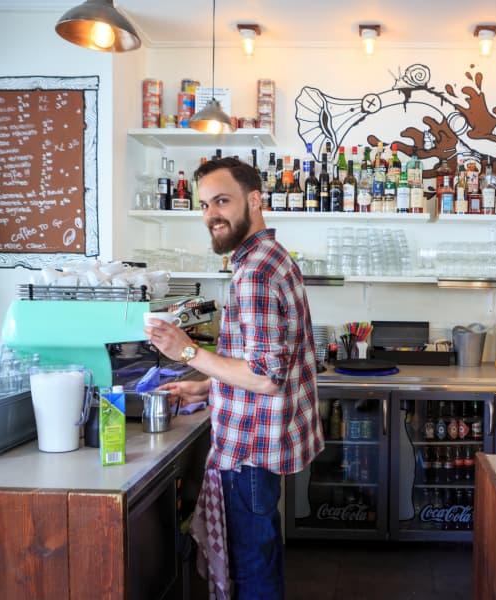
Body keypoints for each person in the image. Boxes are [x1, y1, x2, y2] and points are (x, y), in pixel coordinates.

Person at [145, 157, 323, 600]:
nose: (211, 215)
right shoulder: (272, 256)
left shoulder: (255, 273)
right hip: (262, 444)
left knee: (252, 571)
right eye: (204, 205)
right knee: (261, 555)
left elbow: (264, 377)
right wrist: (208, 384)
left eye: (222, 201)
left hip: (248, 451)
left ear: (255, 200)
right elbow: (264, 362)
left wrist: (186, 350)